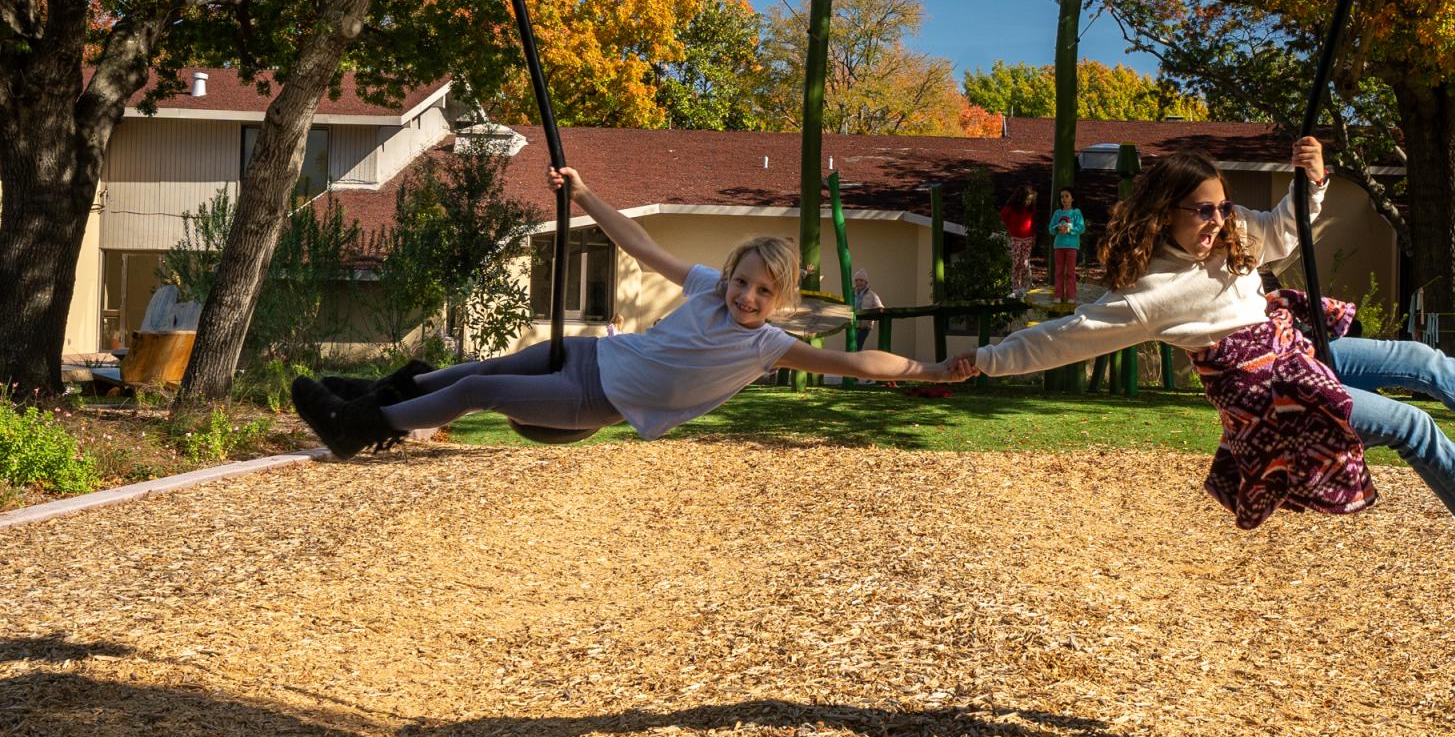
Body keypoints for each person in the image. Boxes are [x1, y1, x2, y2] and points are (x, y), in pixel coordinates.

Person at [945, 142, 1455, 555]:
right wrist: (987, 359)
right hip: (1275, 398)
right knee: (1412, 423)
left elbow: (1284, 235)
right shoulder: (1153, 293)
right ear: (1166, 213)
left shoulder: (1231, 237)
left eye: (1222, 209)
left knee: (1421, 362)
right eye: (1203, 211)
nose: (1219, 221)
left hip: (1295, 350)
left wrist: (1308, 182)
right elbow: (1062, 339)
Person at [293, 166, 963, 459]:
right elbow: (639, 244)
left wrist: (929, 368)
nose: (747, 298)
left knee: (474, 389)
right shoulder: (705, 287)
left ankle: (360, 428)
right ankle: (371, 394)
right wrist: (585, 195)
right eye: (743, 282)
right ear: (729, 275)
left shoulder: (767, 348)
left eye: (763, 293)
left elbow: (855, 359)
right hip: (593, 356)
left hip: (597, 401)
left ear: (779, 301)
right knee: (478, 366)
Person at [1047, 188, 1086, 303]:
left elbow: (1081, 228)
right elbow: (1050, 229)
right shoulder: (1057, 213)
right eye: (1062, 197)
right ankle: (1058, 295)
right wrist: (1057, 228)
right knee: (1058, 272)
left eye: (1067, 196)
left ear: (1072, 198)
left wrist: (1069, 229)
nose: (1064, 199)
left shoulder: (1076, 212)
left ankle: (1071, 297)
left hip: (1072, 246)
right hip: (1059, 246)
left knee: (1070, 272)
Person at [999, 185, 1038, 299]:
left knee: (1025, 263)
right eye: (1027, 200)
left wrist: (1033, 237)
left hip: (1027, 239)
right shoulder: (1011, 208)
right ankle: (1015, 288)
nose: (1028, 202)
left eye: (1030, 200)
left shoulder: (1030, 209)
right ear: (1020, 198)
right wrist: (1011, 228)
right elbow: (1003, 216)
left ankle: (1025, 287)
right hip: (1016, 239)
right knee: (1016, 263)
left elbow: (1033, 224)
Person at [851, 268, 883, 350]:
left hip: (864, 326)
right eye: (857, 280)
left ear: (866, 282)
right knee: (852, 345)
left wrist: (872, 317)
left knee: (858, 345)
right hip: (853, 324)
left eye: (861, 280)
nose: (859, 282)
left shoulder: (872, 295)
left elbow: (880, 307)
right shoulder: (852, 294)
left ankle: (856, 361)